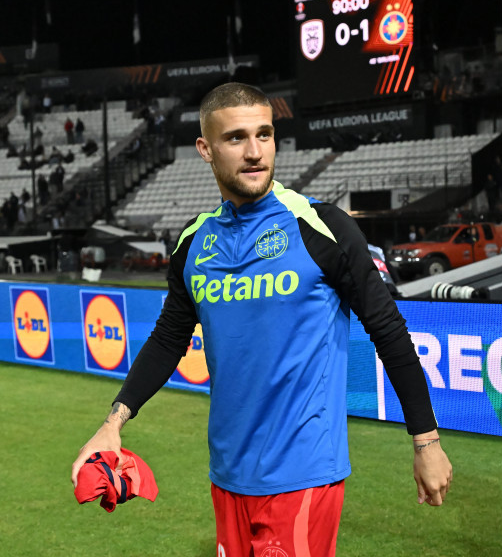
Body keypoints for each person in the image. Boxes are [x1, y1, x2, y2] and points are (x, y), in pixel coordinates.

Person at [71, 82, 452, 557]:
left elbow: (389, 331)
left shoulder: (322, 228)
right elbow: (169, 338)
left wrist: (426, 441)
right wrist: (114, 421)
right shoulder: (193, 244)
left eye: (265, 135)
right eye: (236, 138)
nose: (255, 152)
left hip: (303, 474)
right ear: (205, 150)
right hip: (228, 474)